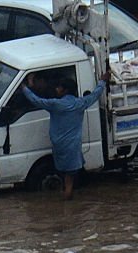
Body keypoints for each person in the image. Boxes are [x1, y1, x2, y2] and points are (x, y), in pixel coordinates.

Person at [20, 70, 111, 199]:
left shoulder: (55, 104)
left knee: (64, 174)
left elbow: (36, 101)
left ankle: (67, 203)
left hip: (58, 144)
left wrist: (24, 88)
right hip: (73, 145)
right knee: (70, 176)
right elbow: (95, 95)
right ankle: (68, 200)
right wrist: (102, 81)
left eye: (59, 87)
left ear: (64, 90)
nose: (56, 89)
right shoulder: (80, 103)